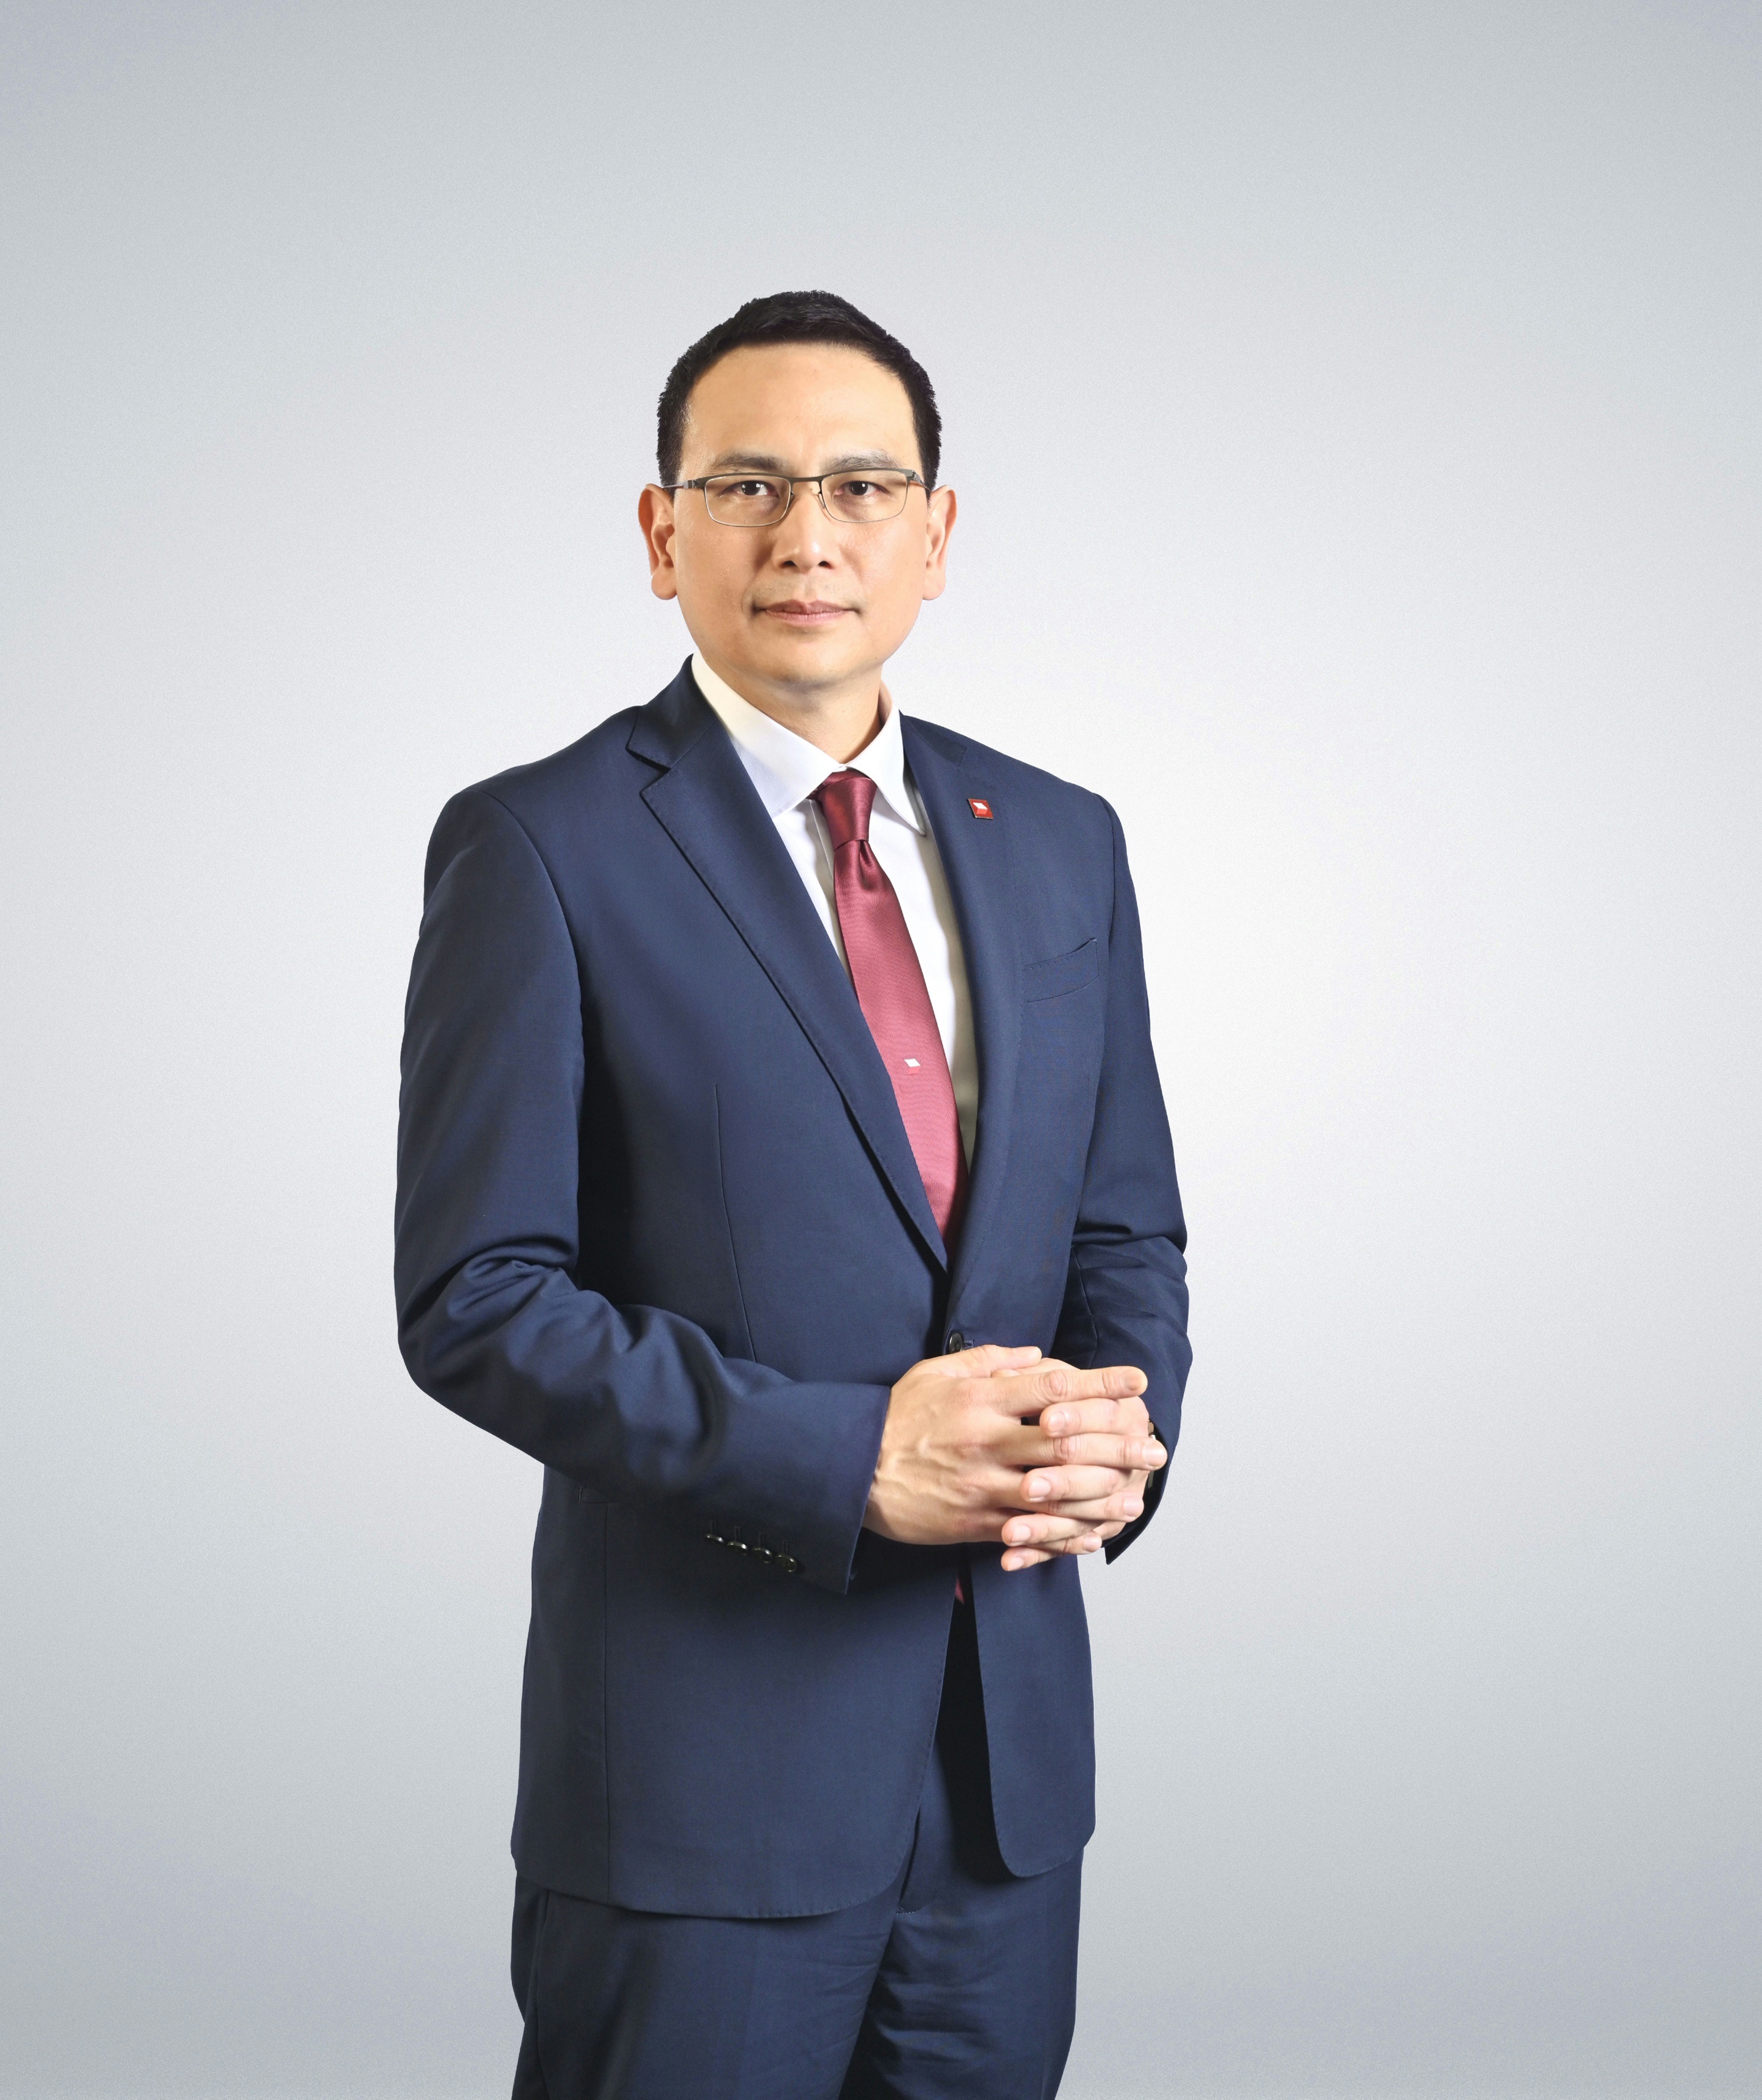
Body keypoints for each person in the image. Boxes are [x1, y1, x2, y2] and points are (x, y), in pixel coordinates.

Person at [394, 289, 1191, 2097]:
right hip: (701, 1787)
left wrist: (1117, 1437)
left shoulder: (1061, 839)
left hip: (1003, 1784)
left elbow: (1120, 1227)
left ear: (937, 533)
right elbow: (478, 1298)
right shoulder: (541, 846)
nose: (807, 535)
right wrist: (849, 1461)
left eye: (860, 486)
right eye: (746, 484)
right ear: (661, 533)